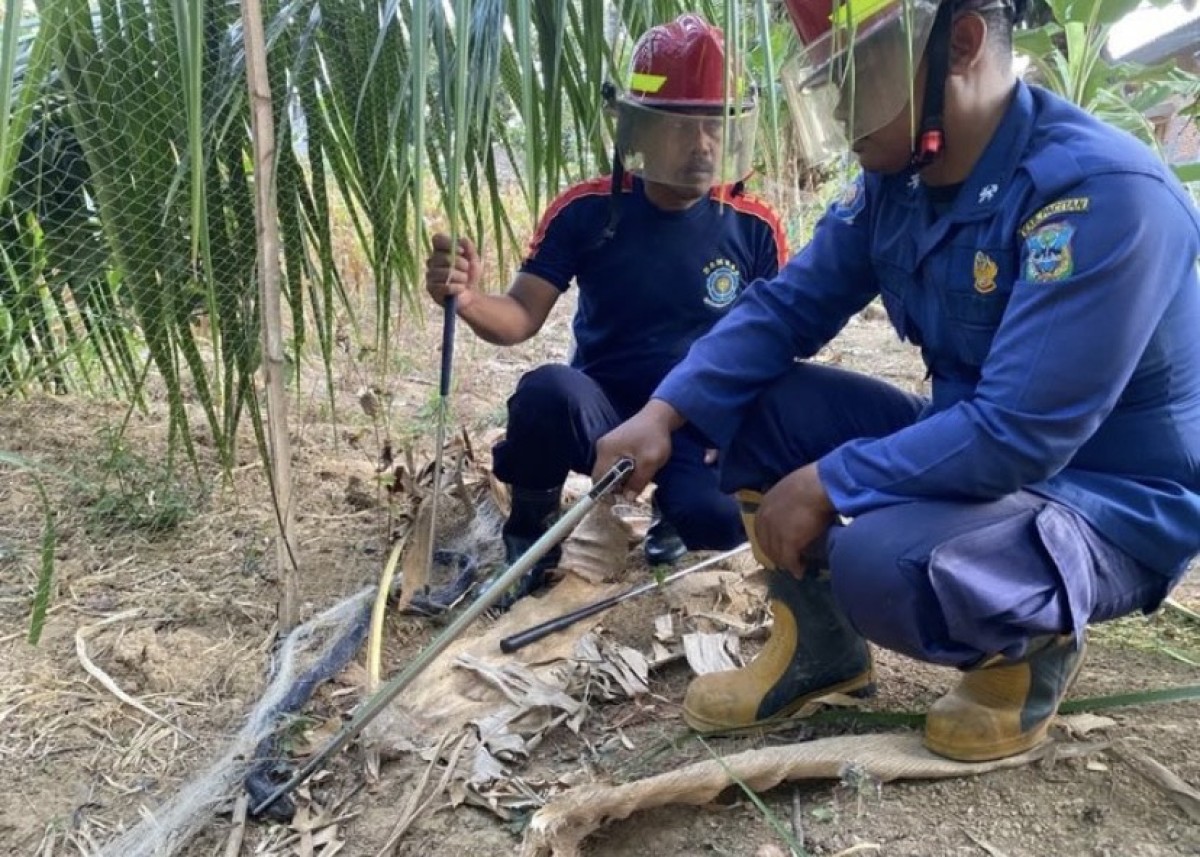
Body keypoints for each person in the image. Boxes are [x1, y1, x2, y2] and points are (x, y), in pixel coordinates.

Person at [593, 0, 1200, 762]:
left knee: (880, 561)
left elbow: (1021, 433)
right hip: (979, 450)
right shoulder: (899, 180)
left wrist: (828, 480)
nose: (842, 105)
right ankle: (819, 653)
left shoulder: (1100, 193)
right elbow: (784, 309)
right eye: (828, 79)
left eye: (860, 70)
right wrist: (663, 410)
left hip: (1106, 502)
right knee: (747, 406)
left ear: (963, 43)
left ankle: (1027, 651)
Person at [424, 14, 788, 604]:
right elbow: (519, 316)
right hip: (607, 411)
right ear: (636, 130)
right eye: (682, 125)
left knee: (717, 523)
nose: (702, 145)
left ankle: (676, 511)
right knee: (546, 393)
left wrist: (747, 424)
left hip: (701, 416)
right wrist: (465, 299)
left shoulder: (755, 227)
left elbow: (778, 342)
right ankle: (530, 535)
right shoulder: (589, 210)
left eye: (716, 125)